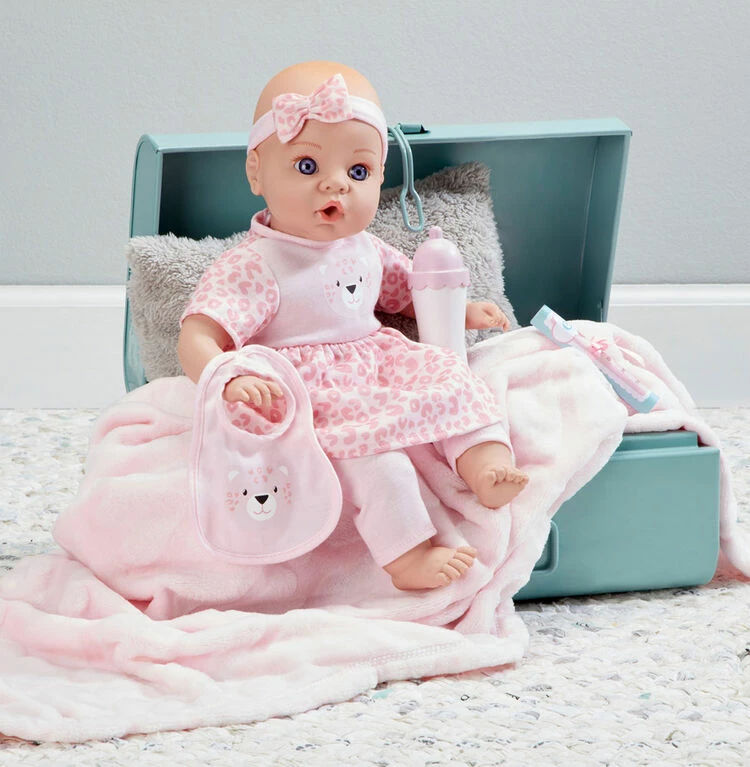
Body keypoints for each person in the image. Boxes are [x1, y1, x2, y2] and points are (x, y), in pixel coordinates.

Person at [177, 61, 528, 590]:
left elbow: (408, 291)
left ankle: (486, 465)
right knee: (378, 462)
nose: (335, 184)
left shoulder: (366, 247)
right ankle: (407, 554)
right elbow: (199, 334)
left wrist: (458, 309)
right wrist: (229, 376)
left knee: (454, 381)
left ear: (380, 178)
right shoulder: (254, 265)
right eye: (306, 166)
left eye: (358, 172)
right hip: (315, 390)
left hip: (381, 360)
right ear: (256, 173)